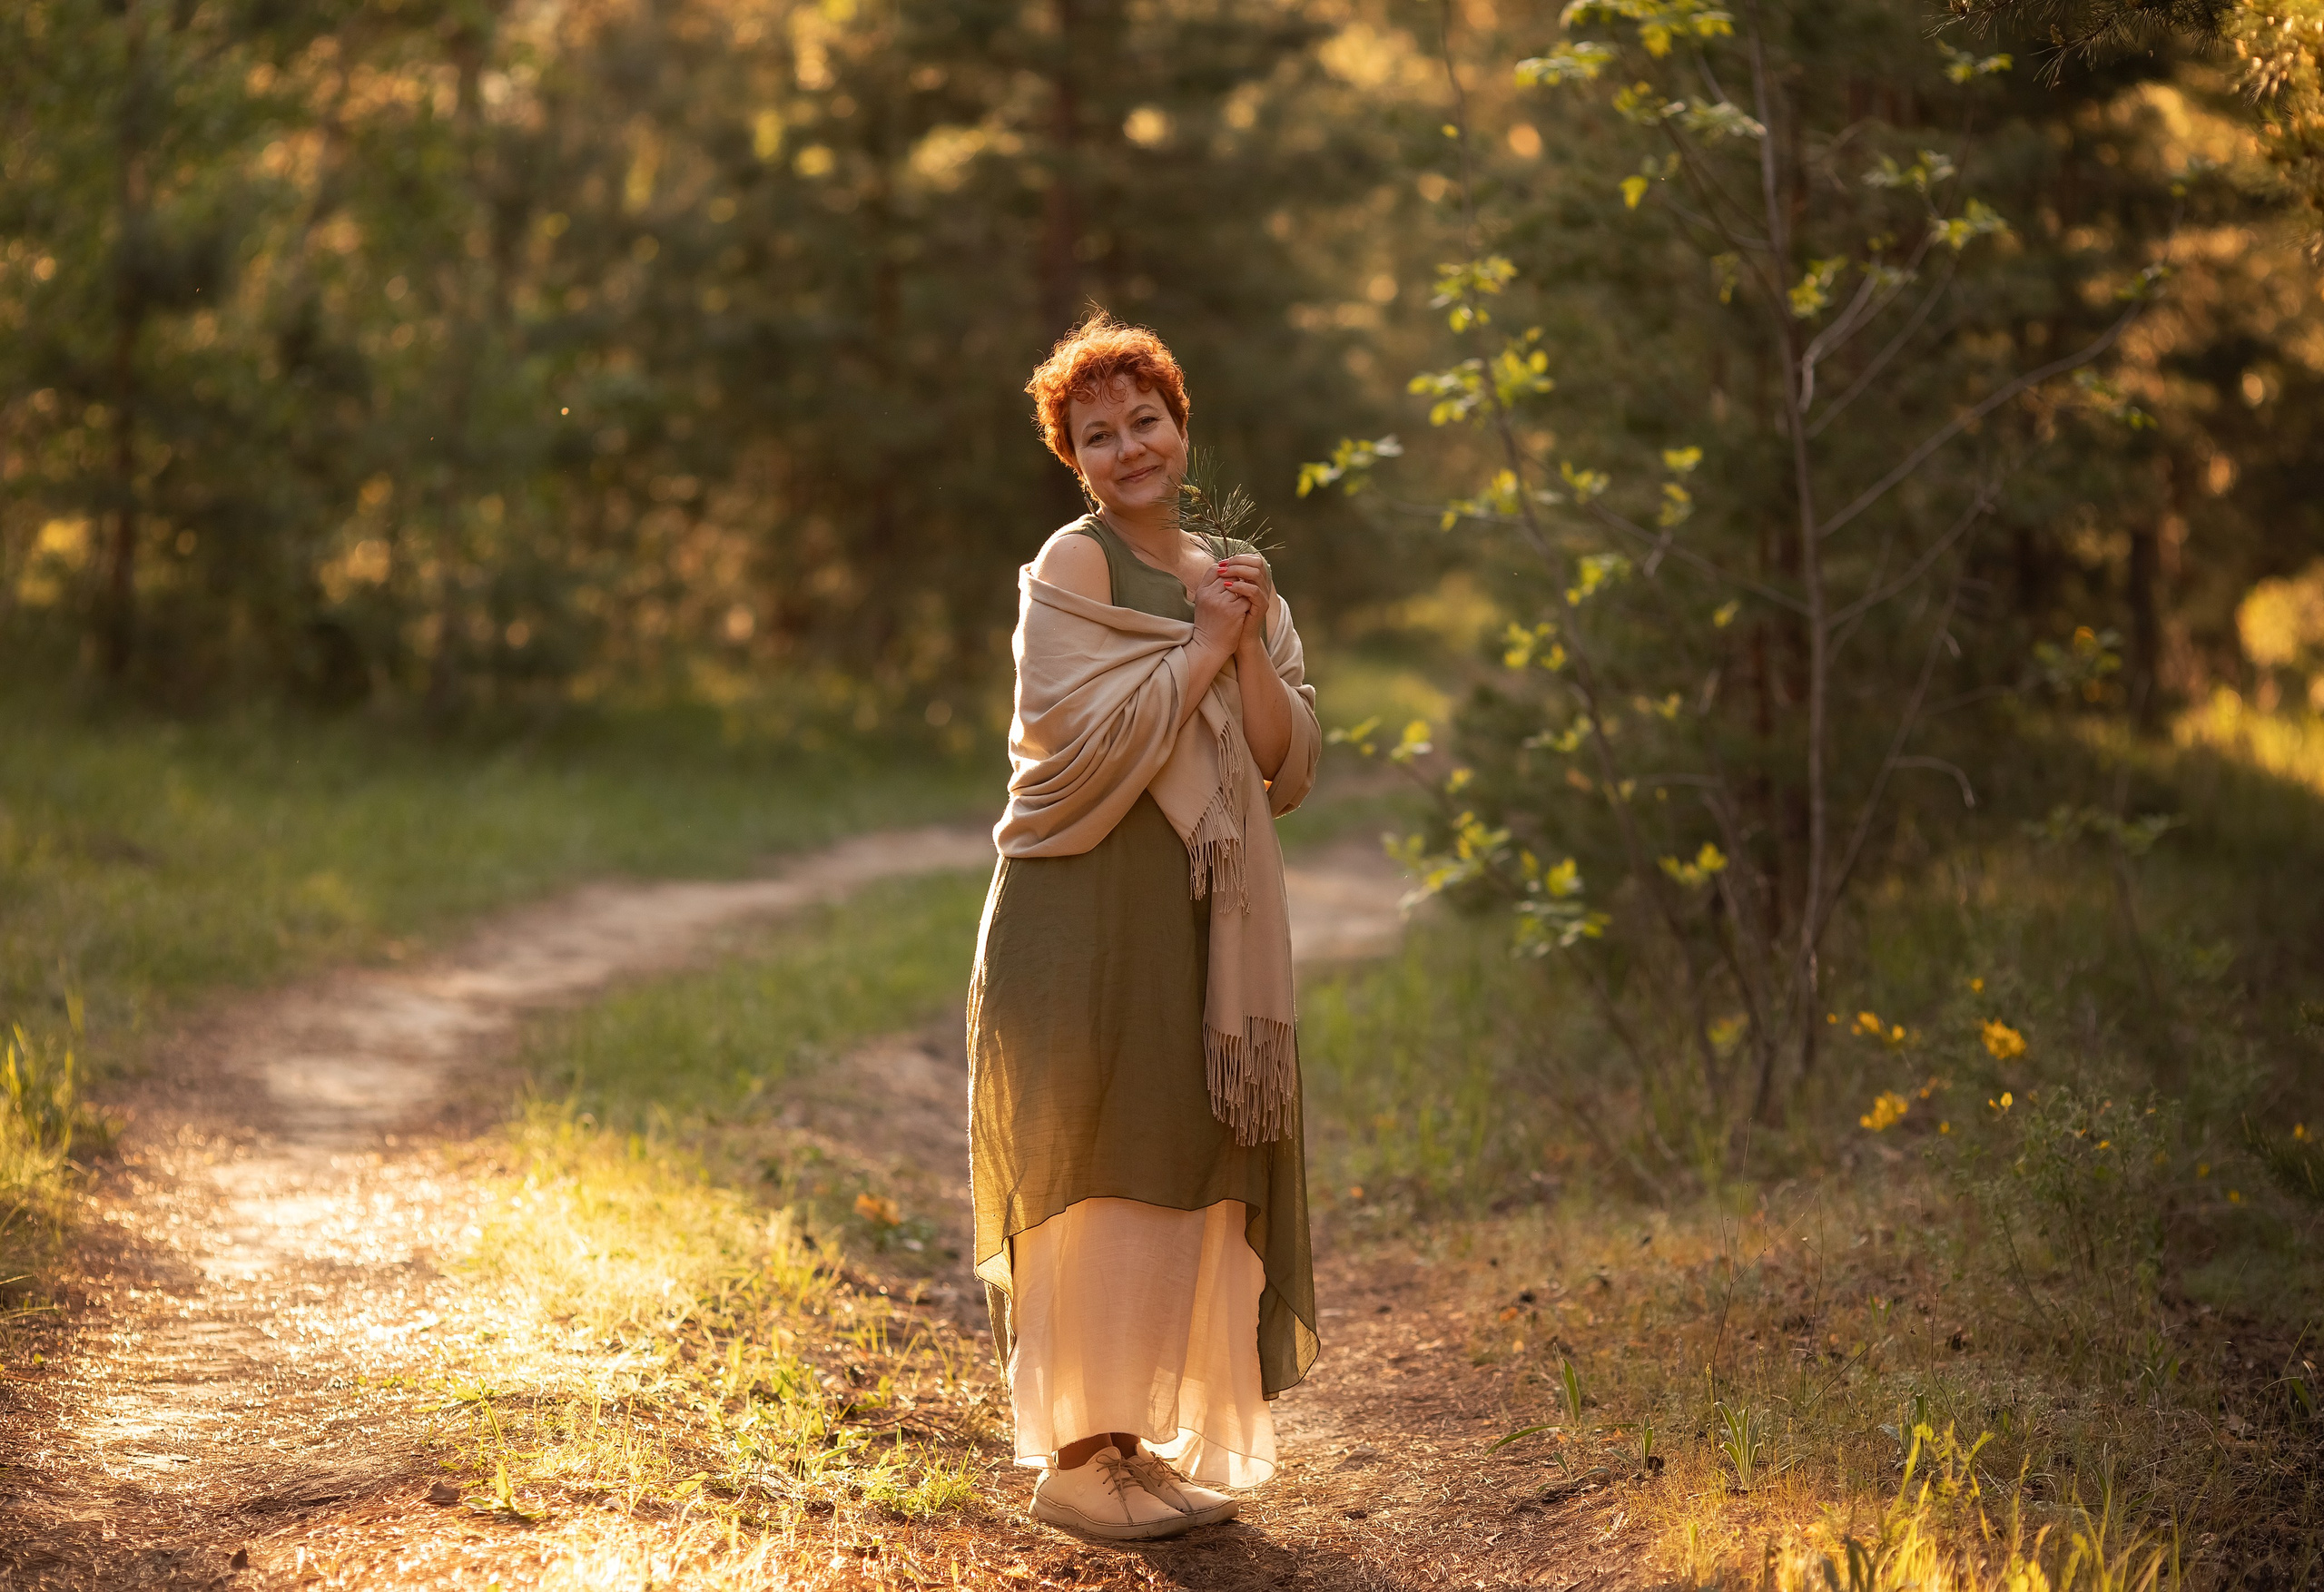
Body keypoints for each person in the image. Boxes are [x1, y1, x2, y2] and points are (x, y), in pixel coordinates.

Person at [967, 311, 1323, 1541]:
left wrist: (1249, 646)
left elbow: (1285, 764)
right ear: (1075, 459)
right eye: (1100, 434)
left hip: (1202, 928)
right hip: (1083, 911)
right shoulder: (1074, 568)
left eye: (1146, 421)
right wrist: (1208, 647)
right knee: (1095, 1166)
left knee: (1182, 1167)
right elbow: (1080, 747)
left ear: (1182, 425)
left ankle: (1132, 1442)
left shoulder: (1231, 568)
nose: (1130, 448)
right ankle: (1075, 1458)